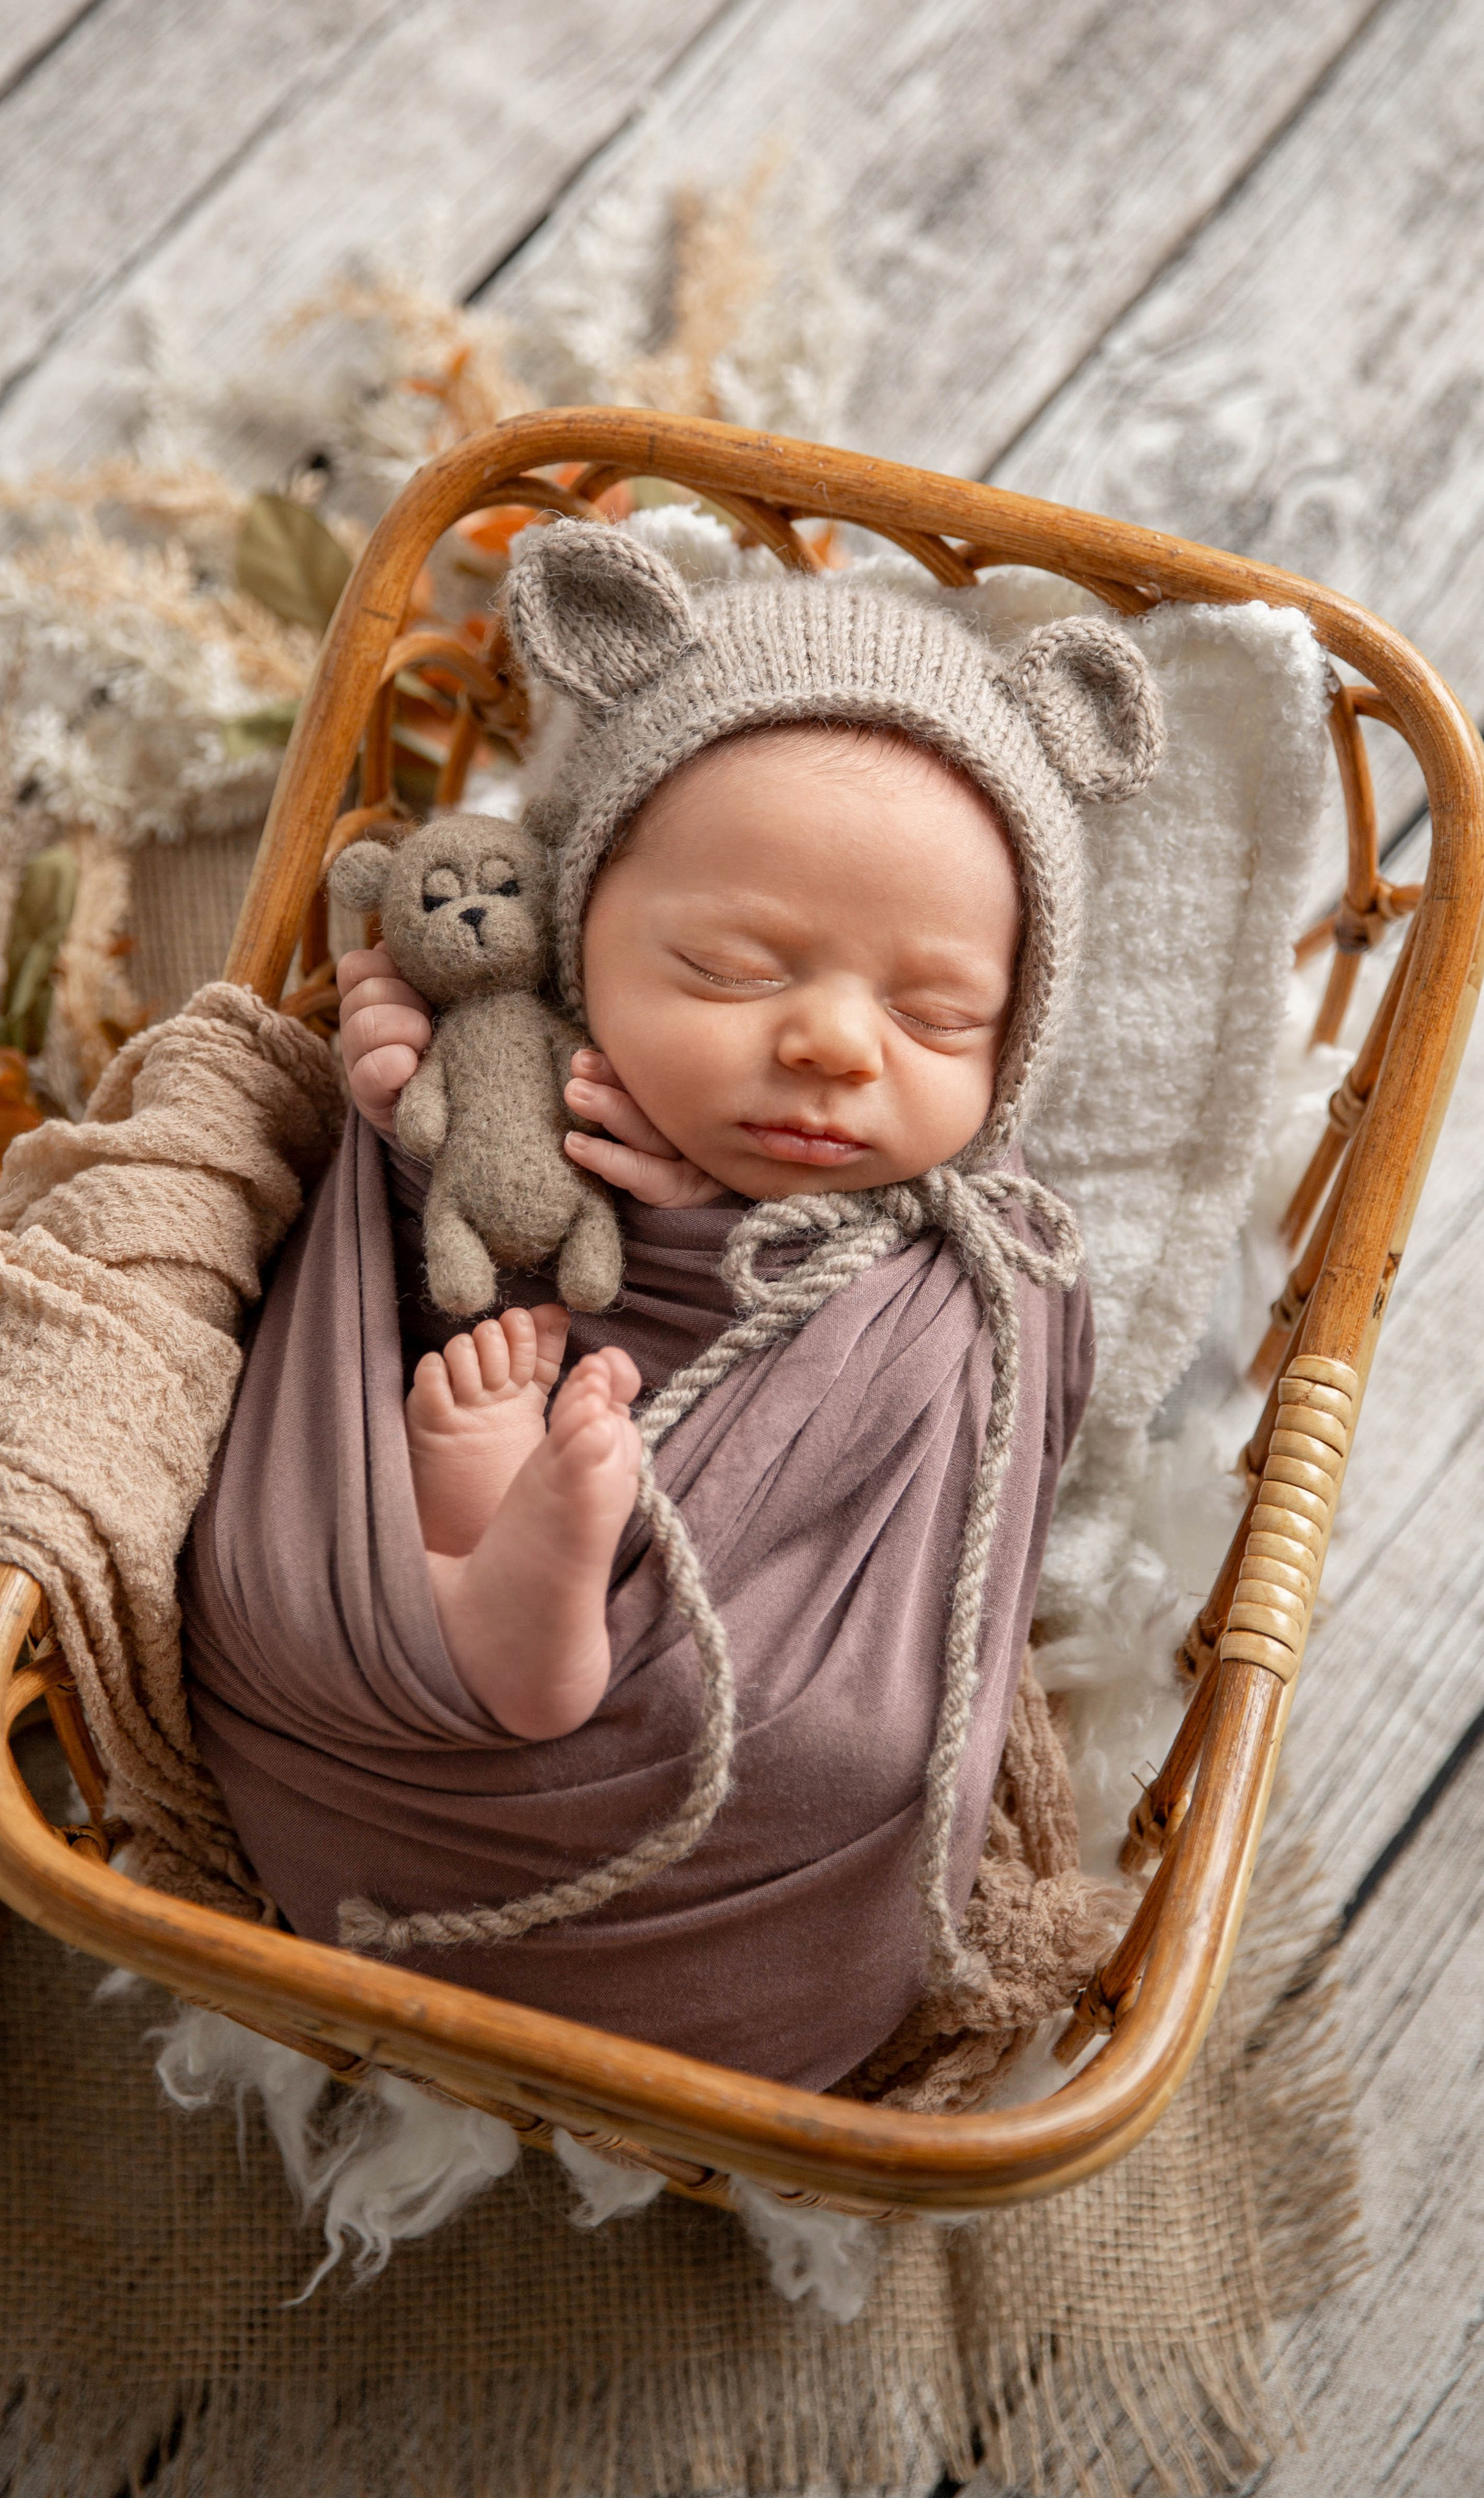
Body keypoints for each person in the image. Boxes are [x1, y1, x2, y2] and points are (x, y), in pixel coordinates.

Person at [179, 518, 1164, 2090]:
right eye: (724, 966)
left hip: (712, 1758)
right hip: (407, 1601)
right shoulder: (533, 1068)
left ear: (1010, 1043)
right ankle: (465, 1555)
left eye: (934, 1013)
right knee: (265, 1560)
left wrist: (719, 1224)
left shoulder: (976, 1246)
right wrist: (401, 1071)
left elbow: (980, 1425)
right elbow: (384, 1259)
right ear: (577, 934)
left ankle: (506, 1577)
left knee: (835, 1743)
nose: (837, 1044)